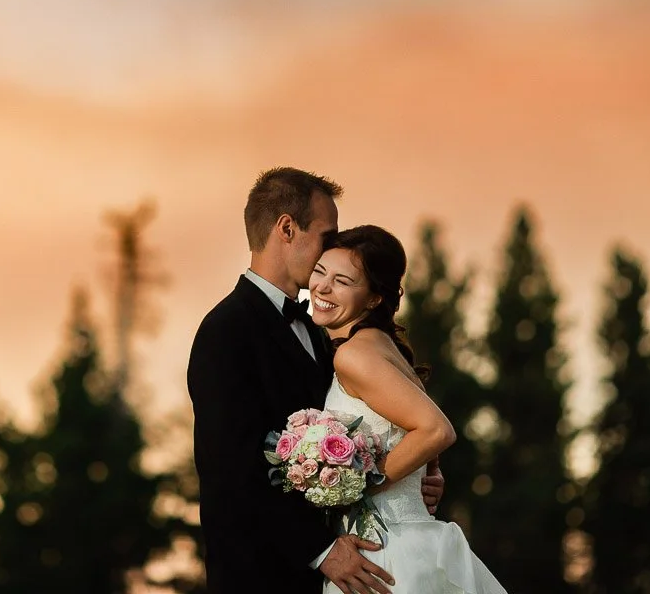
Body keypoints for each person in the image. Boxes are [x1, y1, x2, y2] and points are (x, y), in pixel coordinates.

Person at [187, 168, 445, 594]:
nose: (335, 247)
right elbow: (230, 471)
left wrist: (416, 475)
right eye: (328, 234)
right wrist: (322, 550)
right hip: (261, 577)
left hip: (335, 571)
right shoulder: (226, 330)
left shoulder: (323, 332)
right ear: (287, 228)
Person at [311, 224, 506, 594]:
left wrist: (355, 489)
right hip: (411, 537)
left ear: (373, 299)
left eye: (343, 281)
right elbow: (412, 434)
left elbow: (436, 430)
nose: (322, 287)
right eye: (320, 271)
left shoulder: (354, 355)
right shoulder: (384, 346)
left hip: (385, 549)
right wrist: (425, 475)